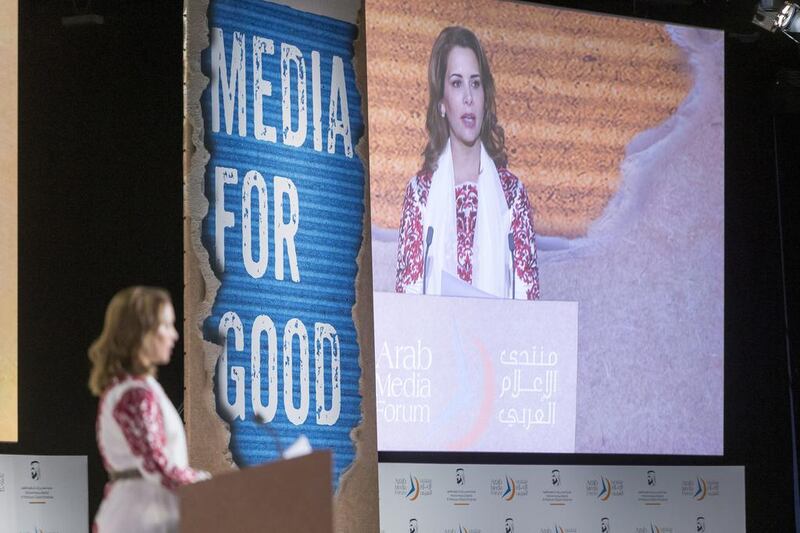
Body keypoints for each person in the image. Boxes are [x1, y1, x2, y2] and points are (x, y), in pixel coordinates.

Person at [395, 26, 540, 300]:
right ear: (441, 101)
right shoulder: (420, 194)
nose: (468, 98)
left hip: (500, 341)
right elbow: (407, 303)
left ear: (485, 97)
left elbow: (528, 304)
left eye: (475, 83)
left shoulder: (512, 195)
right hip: (433, 341)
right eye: (456, 83)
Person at [89, 287, 209, 533]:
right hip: (140, 519)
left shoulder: (135, 388)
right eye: (165, 325)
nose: (174, 335)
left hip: (145, 514)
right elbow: (157, 465)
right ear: (141, 332)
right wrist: (210, 484)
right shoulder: (134, 393)